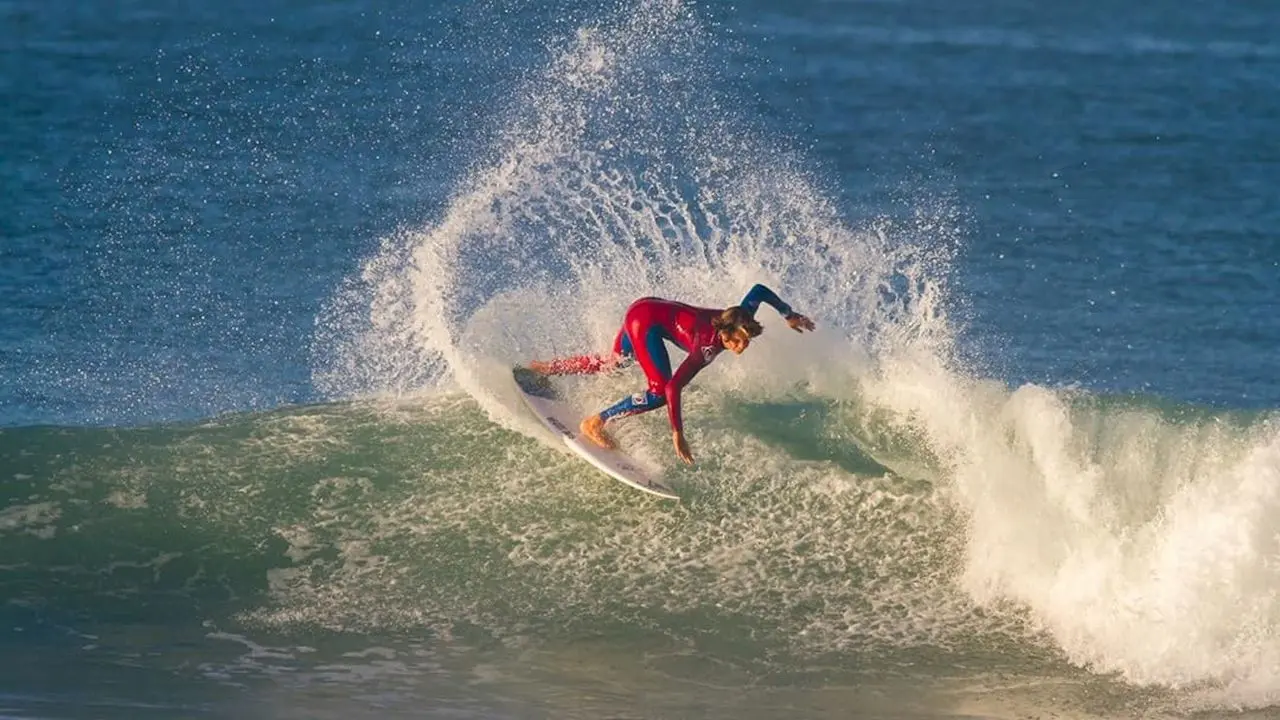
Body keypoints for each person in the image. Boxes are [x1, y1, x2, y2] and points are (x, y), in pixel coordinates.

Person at [528, 284, 815, 464]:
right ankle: (595, 423)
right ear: (723, 332)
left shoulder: (741, 316)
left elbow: (758, 291)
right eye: (737, 341)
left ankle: (547, 368)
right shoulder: (705, 348)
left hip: (646, 307)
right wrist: (678, 433)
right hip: (645, 321)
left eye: (746, 342)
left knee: (614, 363)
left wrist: (788, 314)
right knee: (657, 391)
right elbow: (673, 389)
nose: (741, 347)